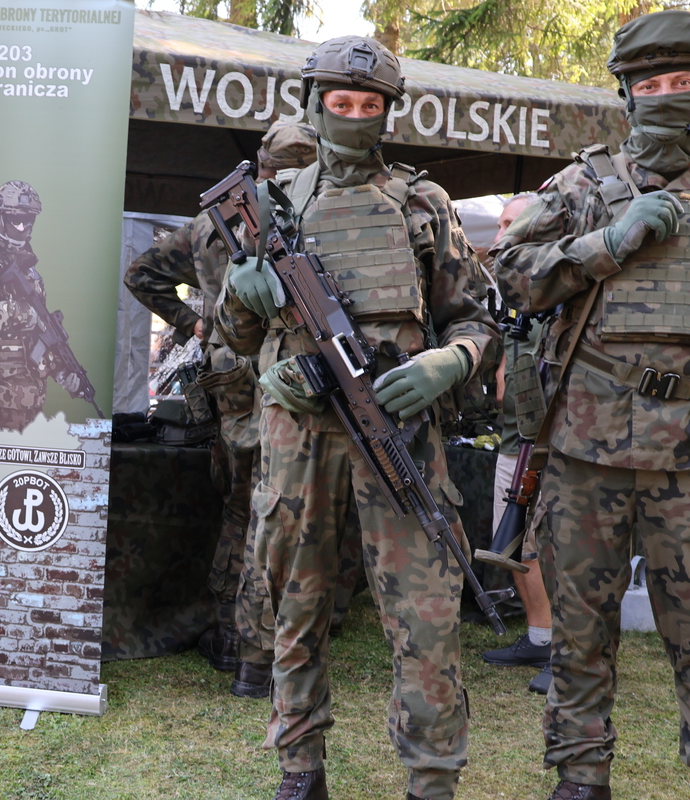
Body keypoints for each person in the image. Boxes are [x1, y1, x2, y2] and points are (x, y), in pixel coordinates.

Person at [492, 10, 690, 800]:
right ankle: (579, 779)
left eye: (682, 80)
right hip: (587, 454)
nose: (667, 94)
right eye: (651, 82)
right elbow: (511, 277)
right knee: (579, 639)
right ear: (627, 92)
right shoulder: (582, 186)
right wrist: (608, 243)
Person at [216, 35, 497, 800]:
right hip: (299, 442)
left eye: (369, 105)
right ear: (314, 105)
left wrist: (452, 361)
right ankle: (299, 769)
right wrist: (241, 290)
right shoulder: (273, 202)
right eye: (339, 103)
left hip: (399, 436)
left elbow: (477, 321)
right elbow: (235, 337)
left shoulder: (423, 205)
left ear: (387, 113)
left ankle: (431, 779)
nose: (353, 116)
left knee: (427, 617)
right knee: (295, 608)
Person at [125, 121, 364, 698]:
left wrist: (196, 323)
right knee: (287, 504)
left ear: (261, 165)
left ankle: (230, 635)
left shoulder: (213, 222)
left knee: (242, 508)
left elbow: (141, 274)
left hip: (231, 373)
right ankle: (276, 637)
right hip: (297, 373)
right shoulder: (319, 214)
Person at [479, 193, 555, 695]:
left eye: (510, 223)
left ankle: (570, 651)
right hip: (514, 436)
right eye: (499, 223)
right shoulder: (510, 284)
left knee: (554, 549)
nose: (500, 234)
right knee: (512, 544)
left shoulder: (561, 278)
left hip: (555, 442)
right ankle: (540, 637)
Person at [0, 180, 87, 432]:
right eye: (14, 219)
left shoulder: (32, 276)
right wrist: (23, 312)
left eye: (27, 220)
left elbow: (38, 340)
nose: (21, 227)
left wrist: (63, 373)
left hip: (31, 402)